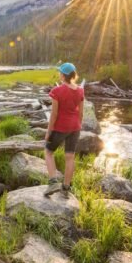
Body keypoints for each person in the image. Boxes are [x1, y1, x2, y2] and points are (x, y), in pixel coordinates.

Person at [44, 62, 84, 197]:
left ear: (63, 75)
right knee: (70, 156)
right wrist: (78, 126)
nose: (59, 74)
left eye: (60, 72)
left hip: (61, 127)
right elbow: (81, 113)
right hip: (75, 127)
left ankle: (53, 182)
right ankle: (66, 187)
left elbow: (54, 115)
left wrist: (49, 131)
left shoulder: (57, 91)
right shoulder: (80, 90)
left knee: (48, 151)